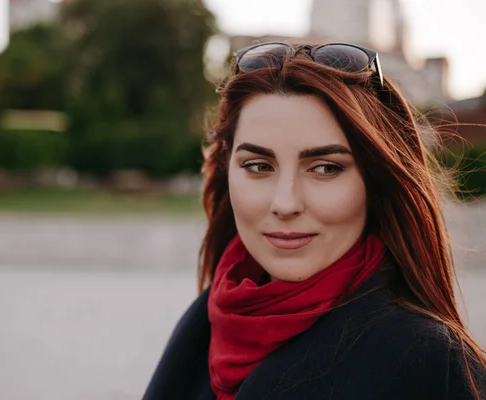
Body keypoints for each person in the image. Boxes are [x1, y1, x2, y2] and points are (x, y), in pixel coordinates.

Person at [143, 42, 486, 400]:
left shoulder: (426, 362)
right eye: (259, 166)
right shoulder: (207, 321)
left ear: (376, 181)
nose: (285, 203)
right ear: (227, 168)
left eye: (325, 168)